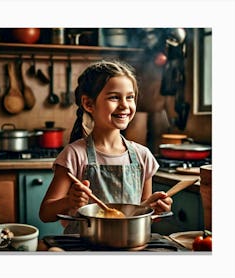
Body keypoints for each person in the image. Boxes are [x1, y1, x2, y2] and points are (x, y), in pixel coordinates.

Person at [39, 60, 172, 233]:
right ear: (88, 104)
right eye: (114, 97)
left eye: (130, 97)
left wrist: (155, 209)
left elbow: (142, 216)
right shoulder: (74, 155)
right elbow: (45, 214)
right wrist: (68, 201)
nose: (125, 105)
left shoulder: (143, 156)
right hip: (83, 247)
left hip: (128, 246)